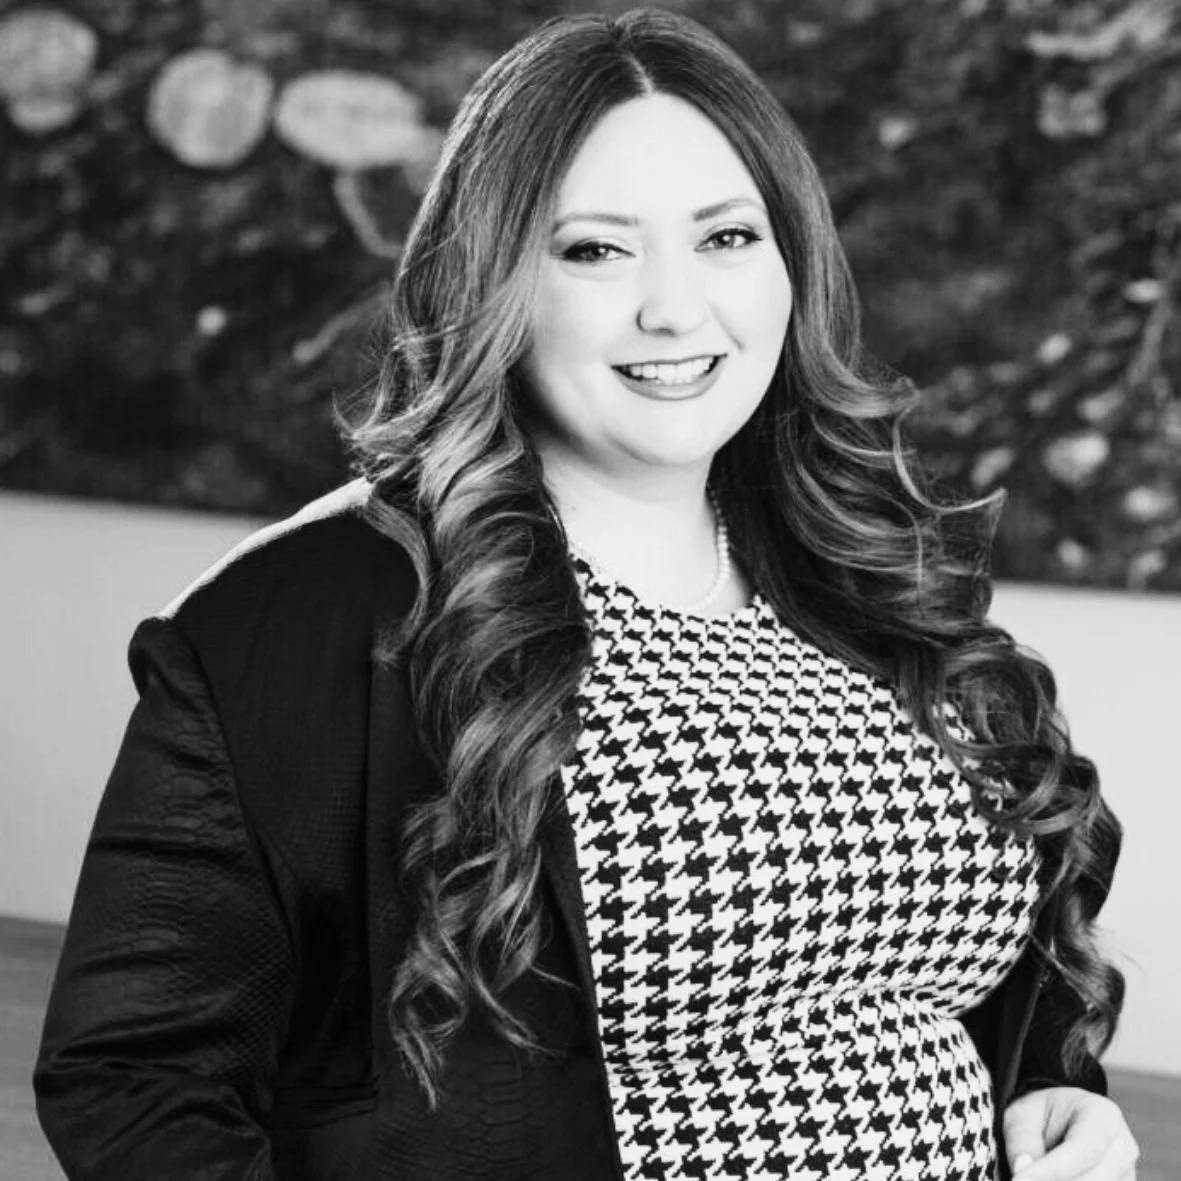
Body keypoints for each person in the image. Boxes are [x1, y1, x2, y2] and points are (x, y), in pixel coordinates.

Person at [33, 8, 1139, 1181]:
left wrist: (1052, 1088)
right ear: (492, 280)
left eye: (725, 237)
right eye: (595, 251)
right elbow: (132, 1080)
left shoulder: (866, 573)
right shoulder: (313, 616)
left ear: (792, 263)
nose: (674, 308)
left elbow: (962, 977)